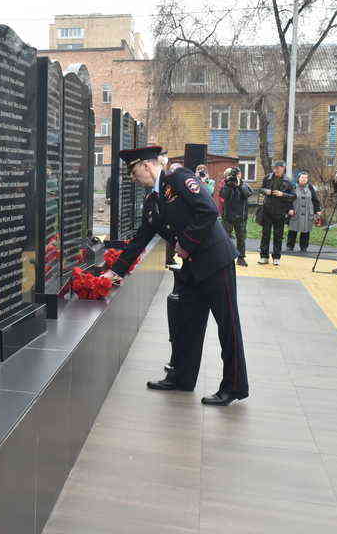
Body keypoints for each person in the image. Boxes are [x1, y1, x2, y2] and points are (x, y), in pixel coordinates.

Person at [101, 146, 248, 406]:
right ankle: (181, 377)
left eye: (135, 172)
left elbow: (208, 211)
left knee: (228, 325)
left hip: (216, 262)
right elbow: (139, 240)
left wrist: (185, 244)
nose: (134, 178)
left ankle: (233, 386)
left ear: (147, 166)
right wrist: (115, 271)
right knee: (186, 323)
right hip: (191, 267)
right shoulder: (152, 202)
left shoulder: (178, 179)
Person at [257, 160, 296, 266]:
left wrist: (282, 194)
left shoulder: (288, 181)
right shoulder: (267, 178)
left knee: (278, 236)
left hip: (280, 212)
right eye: (275, 168)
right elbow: (260, 189)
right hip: (267, 210)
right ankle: (264, 256)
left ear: (283, 169)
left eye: (279, 168)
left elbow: (293, 196)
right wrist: (266, 191)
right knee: (265, 234)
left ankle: (276, 257)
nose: (277, 170)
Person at [218, 166, 252, 266]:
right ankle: (225, 256)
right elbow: (223, 195)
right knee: (225, 237)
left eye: (237, 175)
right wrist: (229, 185)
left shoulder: (244, 184)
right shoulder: (227, 184)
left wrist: (239, 184)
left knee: (241, 238)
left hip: (241, 216)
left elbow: (247, 194)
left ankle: (241, 257)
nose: (235, 177)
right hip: (228, 216)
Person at [286, 171, 322, 253]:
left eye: (306, 178)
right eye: (302, 177)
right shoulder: (293, 187)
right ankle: (290, 246)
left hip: (307, 213)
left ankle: (304, 247)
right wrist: (289, 209)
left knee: (306, 231)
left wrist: (318, 210)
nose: (304, 179)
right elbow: (288, 199)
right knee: (293, 229)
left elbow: (315, 200)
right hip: (295, 211)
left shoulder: (310, 187)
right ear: (298, 178)